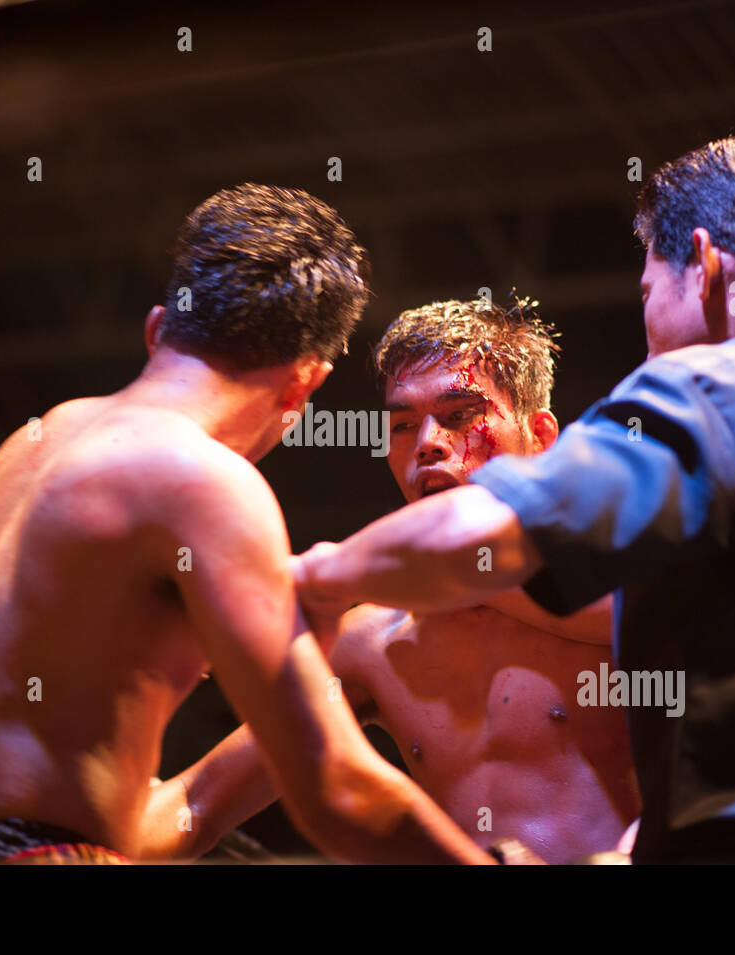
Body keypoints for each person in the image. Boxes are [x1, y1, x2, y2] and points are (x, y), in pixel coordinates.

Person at [290, 138, 735, 864]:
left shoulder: (722, 383)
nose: (650, 345)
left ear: (708, 267)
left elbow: (486, 532)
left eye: (650, 295)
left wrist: (308, 580)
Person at [0, 183, 491, 864]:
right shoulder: (210, 484)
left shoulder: (40, 436)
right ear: (305, 383)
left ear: (158, 327)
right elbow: (335, 788)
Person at [145, 296, 639, 863]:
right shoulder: (369, 640)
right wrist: (57, 829)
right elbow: (198, 802)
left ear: (542, 435)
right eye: (404, 425)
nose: (428, 441)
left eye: (459, 415)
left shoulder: (630, 586)